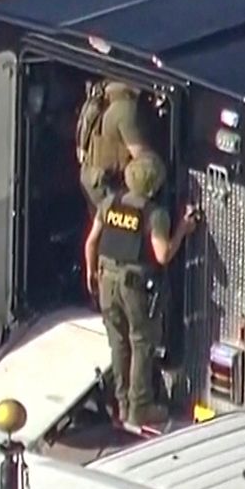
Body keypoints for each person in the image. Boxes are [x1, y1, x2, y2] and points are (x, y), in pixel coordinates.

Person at [82, 153, 197, 428]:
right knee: (141, 343)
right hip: (135, 287)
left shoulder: (109, 202)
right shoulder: (155, 214)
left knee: (118, 343)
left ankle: (121, 405)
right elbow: (163, 255)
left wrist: (91, 273)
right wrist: (184, 228)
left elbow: (91, 243)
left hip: (106, 279)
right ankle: (140, 407)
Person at [76, 80, 156, 210]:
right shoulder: (125, 109)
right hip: (108, 186)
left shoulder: (102, 93)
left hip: (91, 178)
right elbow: (144, 161)